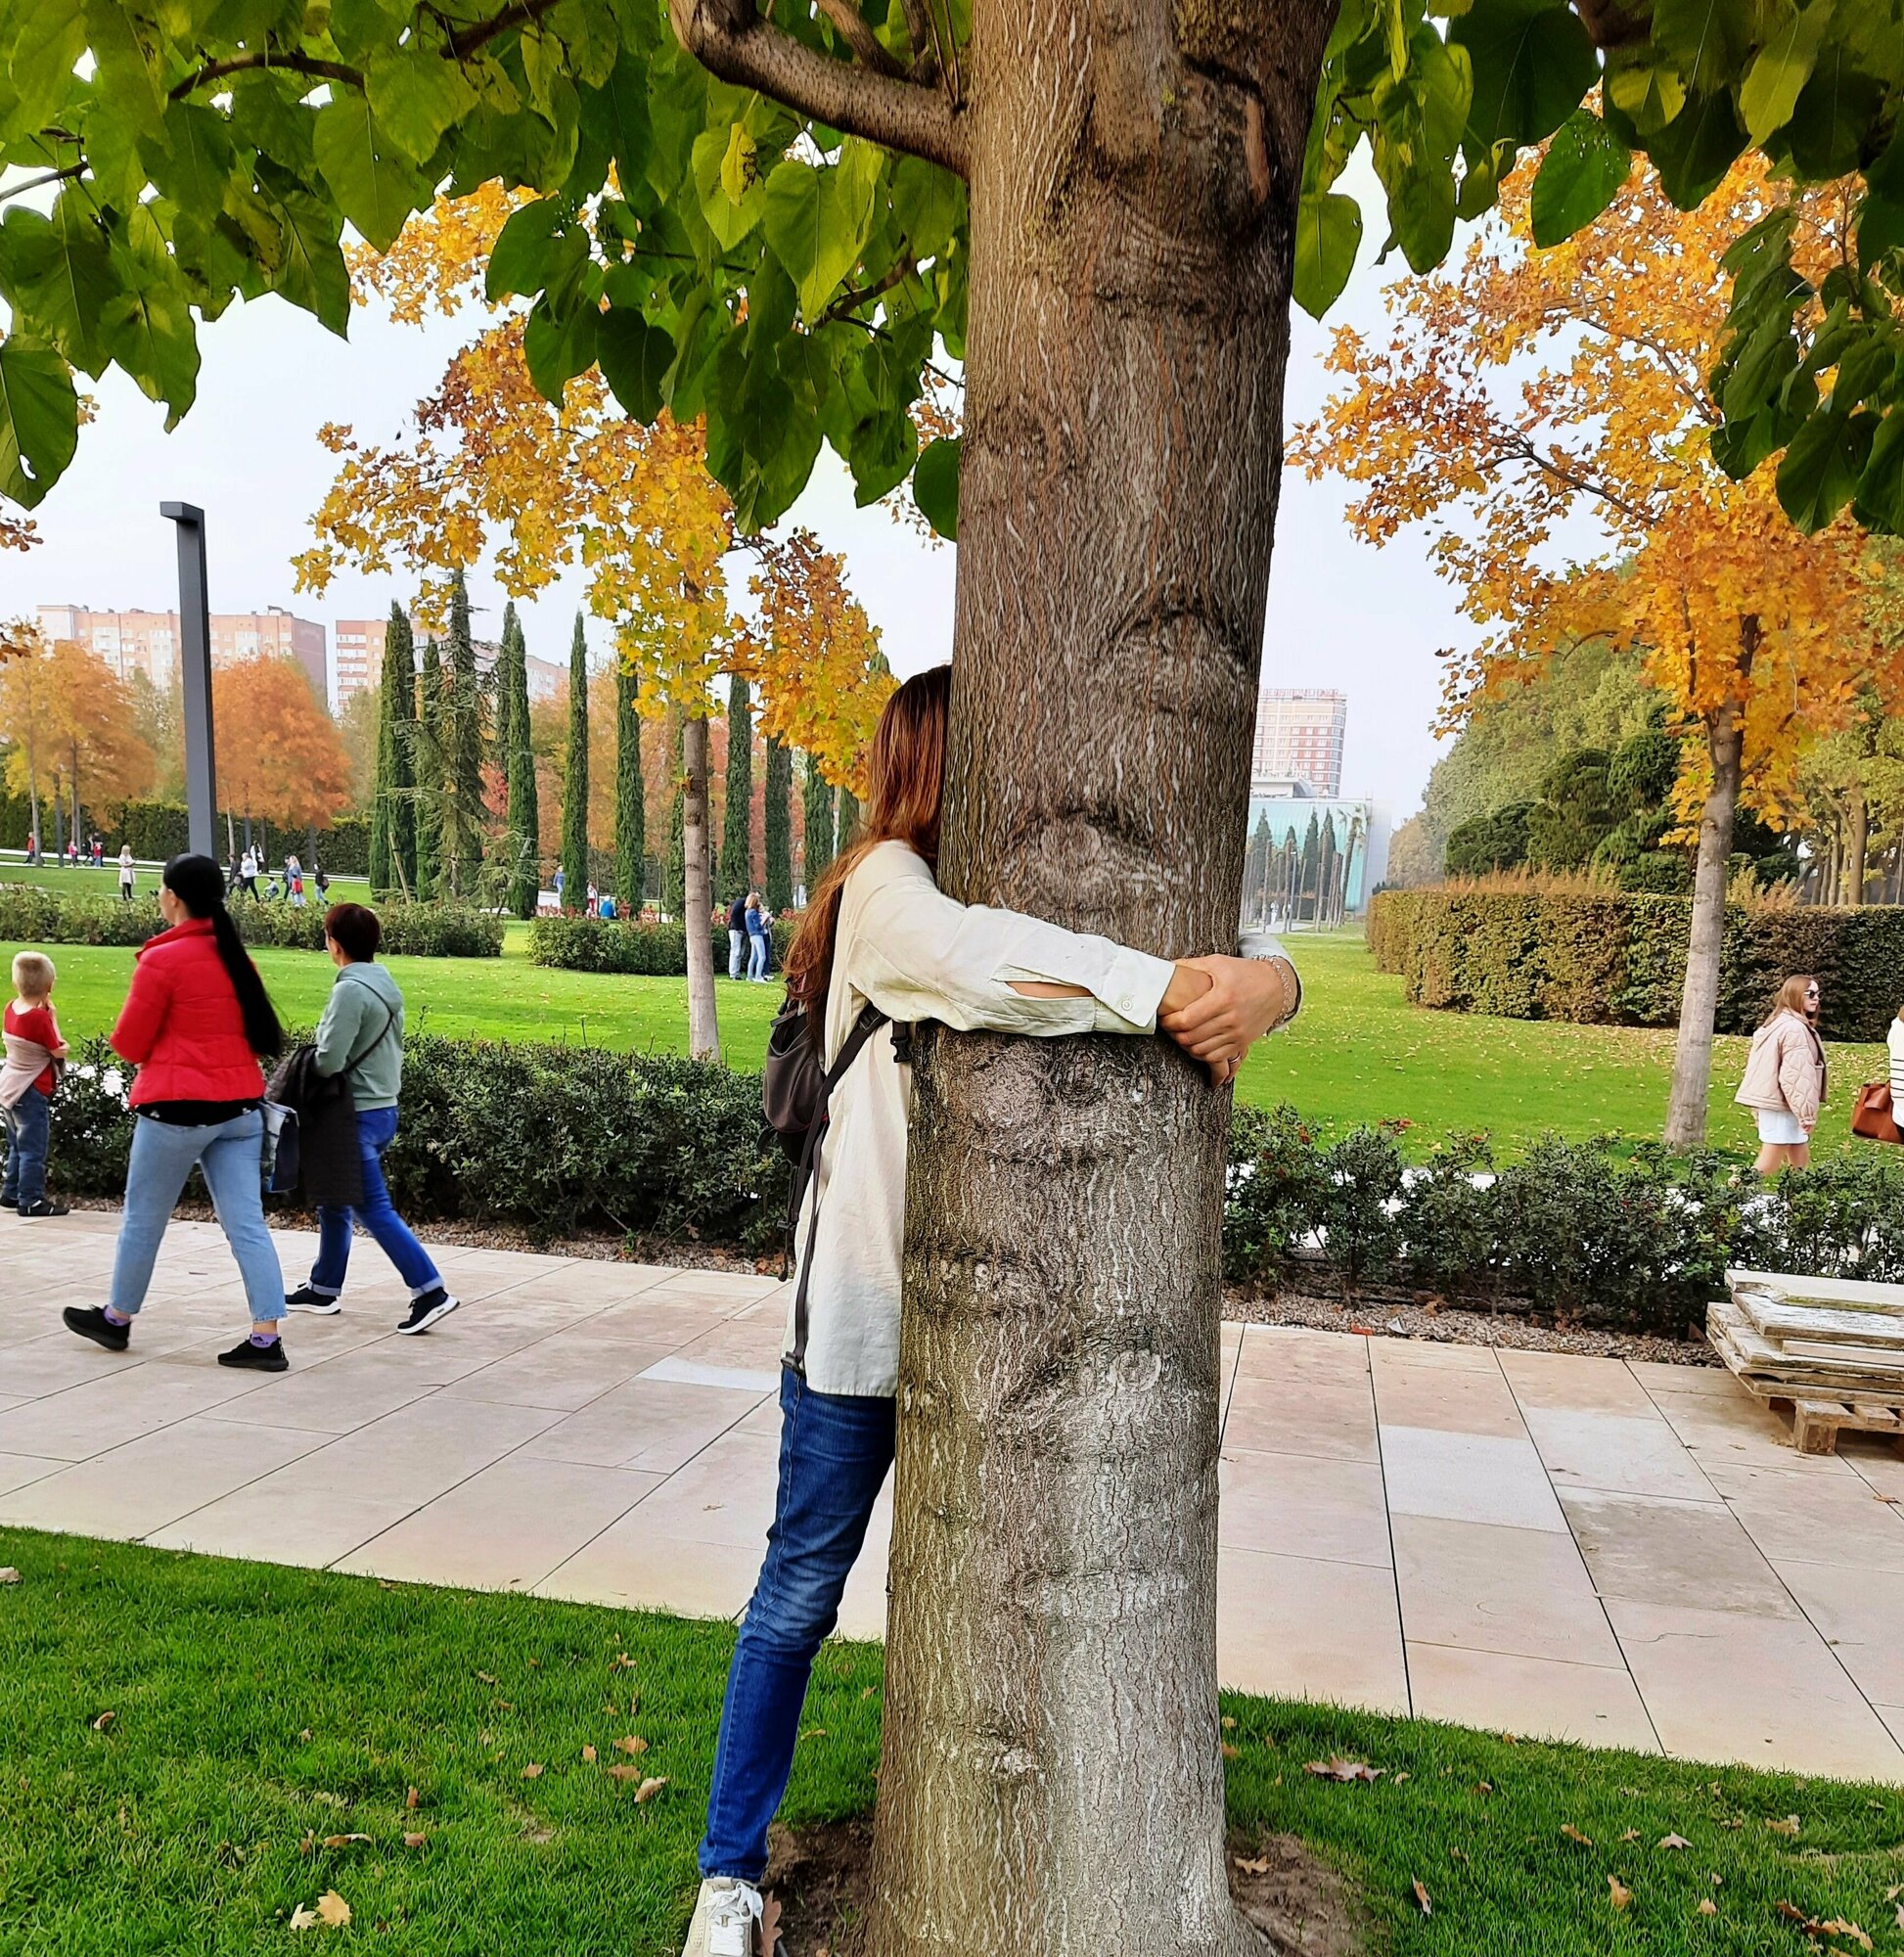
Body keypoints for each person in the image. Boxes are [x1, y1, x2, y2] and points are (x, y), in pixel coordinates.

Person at [677, 666, 1300, 1957]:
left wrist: (1272, 983)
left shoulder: (965, 885)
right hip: (860, 1328)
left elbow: (1226, 953)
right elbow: (981, 970)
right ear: (942, 764)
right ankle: (729, 1875)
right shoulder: (885, 893)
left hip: (996, 1338)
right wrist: (1170, 993)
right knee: (797, 1597)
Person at [61, 853, 292, 1370]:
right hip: (240, 1111)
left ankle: (117, 1319)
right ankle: (265, 1338)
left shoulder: (161, 961)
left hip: (175, 1111)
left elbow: (130, 1042)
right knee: (247, 1224)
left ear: (174, 897)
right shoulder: (237, 958)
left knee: (144, 1219)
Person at [284, 903, 462, 1335]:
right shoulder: (384, 983)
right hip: (383, 1109)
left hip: (353, 1117)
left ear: (335, 943)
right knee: (334, 1199)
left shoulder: (350, 991)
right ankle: (324, 1288)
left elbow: (329, 1061)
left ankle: (430, 1291)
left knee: (373, 1208)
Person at [2, 951, 69, 1218]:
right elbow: (57, 1050)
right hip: (30, 1090)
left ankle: (11, 1191)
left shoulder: (10, 1009)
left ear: (15, 984)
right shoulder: (39, 1018)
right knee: (33, 1149)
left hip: (9, 1088)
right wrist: (53, 1018)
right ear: (50, 986)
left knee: (16, 1145)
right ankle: (30, 1200)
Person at [1737, 974, 1827, 1173]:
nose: (1816, 998)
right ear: (1795, 994)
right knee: (1768, 1162)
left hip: (1780, 1103)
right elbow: (1796, 1076)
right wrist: (1807, 1115)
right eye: (1810, 993)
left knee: (1798, 1153)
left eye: (1818, 993)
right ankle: (1728, 1197)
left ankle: (1798, 1201)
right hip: (1782, 1104)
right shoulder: (1794, 1028)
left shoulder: (1779, 1022)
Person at [745, 890, 771, 982]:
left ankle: (749, 976)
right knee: (762, 956)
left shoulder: (747, 912)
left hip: (751, 936)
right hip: (757, 935)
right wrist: (765, 918)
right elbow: (758, 926)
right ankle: (758, 976)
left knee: (753, 957)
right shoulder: (754, 913)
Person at [727, 890, 748, 979]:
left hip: (743, 931)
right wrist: (736, 928)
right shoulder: (741, 902)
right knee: (735, 951)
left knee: (740, 953)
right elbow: (733, 914)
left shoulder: (750, 906)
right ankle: (733, 974)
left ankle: (736, 973)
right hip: (736, 930)